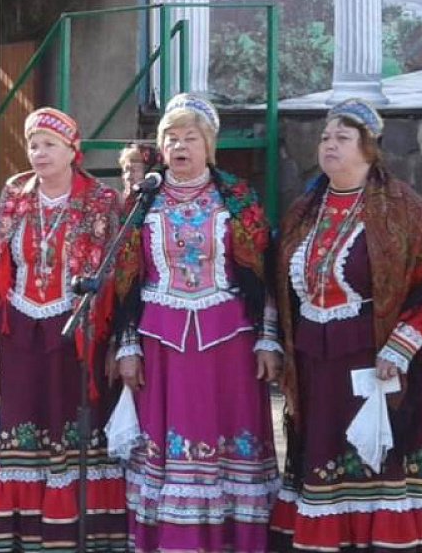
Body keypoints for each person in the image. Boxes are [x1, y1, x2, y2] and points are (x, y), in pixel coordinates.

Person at [270, 99, 422, 553]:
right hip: (318, 363)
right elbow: (281, 284)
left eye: (342, 137)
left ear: (369, 149)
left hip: (382, 362)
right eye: (324, 137)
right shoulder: (304, 210)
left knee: (381, 463)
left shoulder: (401, 207)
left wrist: (399, 346)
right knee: (326, 462)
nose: (328, 144)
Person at [113, 94, 281, 552]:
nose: (180, 145)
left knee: (231, 449)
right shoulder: (141, 201)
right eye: (171, 137)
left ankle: (232, 541)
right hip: (161, 345)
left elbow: (263, 273)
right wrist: (127, 346)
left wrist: (268, 339)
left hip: (230, 344)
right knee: (166, 451)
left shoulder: (237, 197)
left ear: (209, 144)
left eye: (190, 137)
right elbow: (124, 281)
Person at [0, 108, 127, 552]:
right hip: (20, 330)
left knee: (73, 422)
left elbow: (118, 278)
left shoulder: (101, 202)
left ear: (72, 150)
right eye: (33, 144)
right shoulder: (12, 200)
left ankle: (77, 530)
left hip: (78, 333)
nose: (39, 152)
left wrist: (117, 343)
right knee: (21, 423)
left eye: (49, 144)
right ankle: (23, 531)